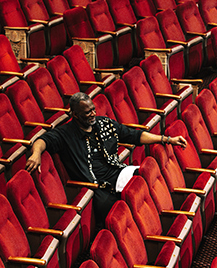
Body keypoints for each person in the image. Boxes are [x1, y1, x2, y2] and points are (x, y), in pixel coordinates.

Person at [24, 92, 188, 224]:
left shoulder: (104, 123)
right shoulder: (66, 134)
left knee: (148, 175)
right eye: (88, 112)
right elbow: (43, 140)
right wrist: (36, 153)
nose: (93, 114)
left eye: (93, 109)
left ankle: (164, 218)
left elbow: (134, 135)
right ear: (75, 114)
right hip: (99, 185)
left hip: (119, 171)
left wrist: (167, 139)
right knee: (120, 214)